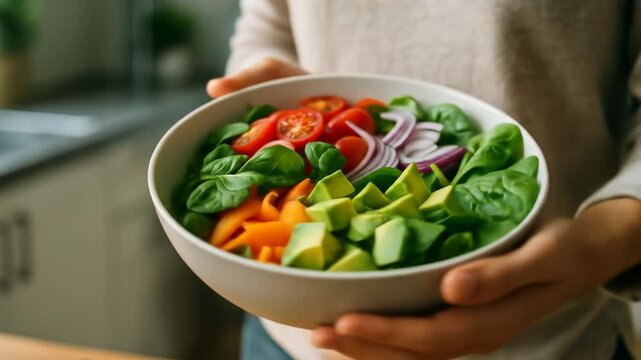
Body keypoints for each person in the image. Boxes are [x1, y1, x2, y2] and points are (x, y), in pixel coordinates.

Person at [207, 1, 641, 359]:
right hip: (287, 333)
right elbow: (269, 22)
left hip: (551, 340)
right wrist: (266, 93)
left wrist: (594, 248)